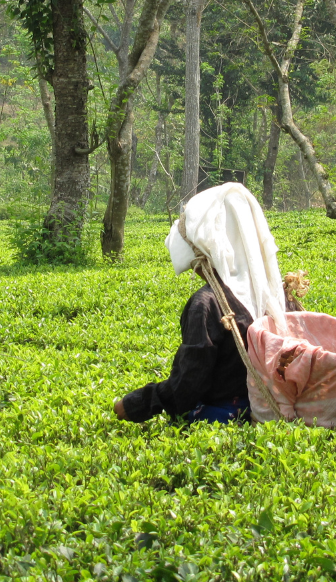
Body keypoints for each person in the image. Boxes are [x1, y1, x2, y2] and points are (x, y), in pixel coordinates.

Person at [113, 182, 287, 425]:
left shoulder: (207, 305)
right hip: (279, 405)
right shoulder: (276, 295)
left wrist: (136, 404)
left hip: (231, 414)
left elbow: (188, 384)